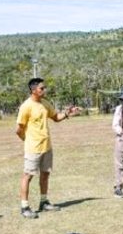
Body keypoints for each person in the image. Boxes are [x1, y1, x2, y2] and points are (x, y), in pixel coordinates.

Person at [16, 77, 80, 219]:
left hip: (47, 146)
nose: (45, 90)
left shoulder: (45, 103)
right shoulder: (26, 106)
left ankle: (43, 202)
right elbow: (19, 129)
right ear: (33, 90)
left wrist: (68, 113)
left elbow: (56, 117)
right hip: (33, 148)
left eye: (44, 88)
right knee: (28, 176)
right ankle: (24, 207)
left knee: (45, 174)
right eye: (42, 88)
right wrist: (27, 141)